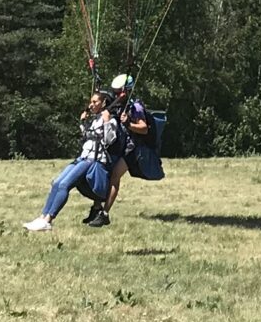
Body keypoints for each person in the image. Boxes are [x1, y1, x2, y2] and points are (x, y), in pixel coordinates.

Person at [24, 93, 118, 233]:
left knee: (64, 185)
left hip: (92, 160)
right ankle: (42, 217)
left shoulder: (110, 120)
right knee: (56, 182)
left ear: (103, 103)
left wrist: (106, 121)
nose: (90, 105)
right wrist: (83, 123)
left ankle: (49, 220)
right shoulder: (95, 119)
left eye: (94, 102)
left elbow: (110, 140)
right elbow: (87, 137)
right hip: (83, 157)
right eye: (90, 101)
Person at [100, 72, 163, 215]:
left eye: (118, 93)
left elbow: (144, 128)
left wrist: (128, 124)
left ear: (126, 91)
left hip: (134, 149)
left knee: (115, 176)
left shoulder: (136, 107)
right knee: (107, 173)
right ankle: (97, 208)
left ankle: (105, 213)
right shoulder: (120, 105)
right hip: (123, 146)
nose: (115, 96)